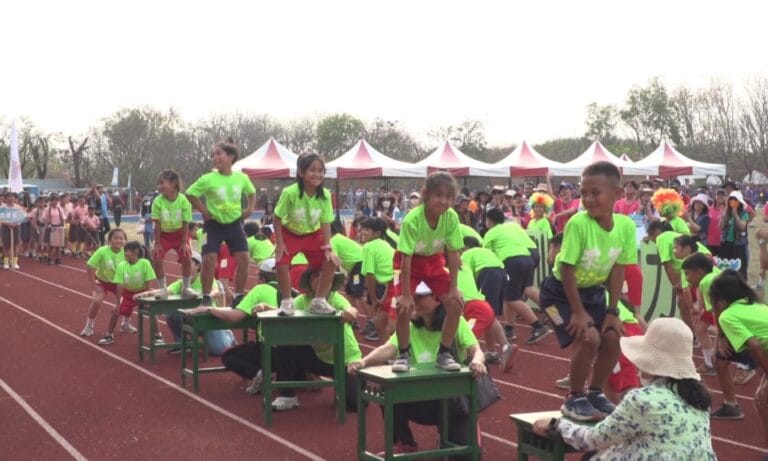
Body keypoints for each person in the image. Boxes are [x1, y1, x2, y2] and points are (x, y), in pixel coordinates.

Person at [532, 317, 716, 460]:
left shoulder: (642, 399)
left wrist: (557, 424)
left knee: (592, 456)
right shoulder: (700, 398)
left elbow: (594, 439)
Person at [539, 161, 636, 421]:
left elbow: (618, 269)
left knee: (613, 338)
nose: (588, 199)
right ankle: (574, 397)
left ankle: (595, 392)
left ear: (616, 194)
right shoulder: (578, 223)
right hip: (556, 296)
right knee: (589, 338)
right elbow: (567, 268)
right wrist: (578, 312)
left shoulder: (625, 227)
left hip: (593, 293)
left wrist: (613, 311)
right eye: (583, 193)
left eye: (595, 192)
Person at [348, 281, 487, 457]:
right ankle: (405, 443)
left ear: (437, 299)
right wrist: (363, 362)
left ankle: (448, 434)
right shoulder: (409, 326)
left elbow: (477, 350)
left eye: (420, 296)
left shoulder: (456, 322)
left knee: (468, 456)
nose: (415, 300)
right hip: (420, 398)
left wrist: (477, 361)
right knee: (387, 390)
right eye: (414, 296)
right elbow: (389, 348)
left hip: (453, 402)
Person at [392, 172, 464, 373]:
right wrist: (407, 295)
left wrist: (453, 288)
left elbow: (453, 252)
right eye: (438, 195)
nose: (444, 201)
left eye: (449, 196)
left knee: (456, 304)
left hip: (434, 261)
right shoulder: (412, 219)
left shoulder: (451, 217)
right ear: (426, 195)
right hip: (410, 263)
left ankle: (444, 353)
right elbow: (406, 258)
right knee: (403, 308)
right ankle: (403, 354)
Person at [270, 268, 361, 411]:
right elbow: (283, 312)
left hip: (345, 360)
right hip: (318, 357)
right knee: (285, 342)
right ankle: (287, 395)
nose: (320, 279)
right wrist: (265, 307)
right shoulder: (303, 300)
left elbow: (350, 309)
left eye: (324, 275)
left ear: (330, 281)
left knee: (354, 404)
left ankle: (356, 383)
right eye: (316, 276)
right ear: (309, 281)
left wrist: (350, 312)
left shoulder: (336, 298)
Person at [186, 139, 256, 308]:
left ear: (231, 156)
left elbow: (252, 192)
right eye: (212, 155)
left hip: (235, 225)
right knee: (208, 260)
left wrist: (249, 209)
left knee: (244, 259)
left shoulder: (241, 178)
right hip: (212, 226)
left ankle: (238, 296)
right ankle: (206, 296)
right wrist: (204, 211)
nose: (214, 158)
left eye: (218, 154)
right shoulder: (208, 179)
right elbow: (190, 193)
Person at [272, 153, 339, 316]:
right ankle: (287, 301)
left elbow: (325, 222)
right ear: (301, 172)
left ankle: (319, 300)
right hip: (290, 233)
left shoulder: (325, 195)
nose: (317, 174)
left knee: (331, 261)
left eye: (321, 171)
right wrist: (279, 243)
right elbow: (277, 217)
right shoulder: (290, 192)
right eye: (312, 170)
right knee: (281, 261)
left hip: (313, 235)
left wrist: (328, 247)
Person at [710, 270, 768, 446]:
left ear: (720, 301)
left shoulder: (728, 315)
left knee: (762, 402)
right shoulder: (758, 305)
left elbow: (755, 345)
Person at [484, 208, 550, 345]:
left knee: (514, 298)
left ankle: (539, 326)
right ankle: (510, 328)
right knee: (519, 293)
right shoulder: (512, 226)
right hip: (527, 255)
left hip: (512, 260)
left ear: (489, 221)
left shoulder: (490, 233)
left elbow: (488, 257)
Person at [98, 241, 157, 346]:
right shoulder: (122, 265)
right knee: (116, 311)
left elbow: (148, 284)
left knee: (152, 311)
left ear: (136, 251)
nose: (124, 253)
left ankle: (158, 335)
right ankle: (109, 335)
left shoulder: (145, 263)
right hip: (128, 293)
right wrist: (117, 303)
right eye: (124, 251)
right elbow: (119, 285)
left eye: (127, 251)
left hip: (143, 292)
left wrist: (147, 297)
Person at [151, 170, 196, 300]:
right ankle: (162, 289)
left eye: (162, 183)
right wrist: (157, 243)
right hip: (163, 235)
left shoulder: (183, 201)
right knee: (157, 258)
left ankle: (186, 288)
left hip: (180, 234)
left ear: (174, 183)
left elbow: (186, 223)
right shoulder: (157, 202)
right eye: (158, 183)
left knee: (187, 256)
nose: (159, 186)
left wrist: (184, 242)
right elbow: (157, 224)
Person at [80, 229, 127, 337]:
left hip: (118, 283)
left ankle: (125, 323)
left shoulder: (126, 252)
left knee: (126, 300)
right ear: (109, 240)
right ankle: (89, 326)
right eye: (116, 238)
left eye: (121, 238)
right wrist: (93, 285)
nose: (118, 240)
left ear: (125, 241)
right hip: (102, 281)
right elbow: (90, 266)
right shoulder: (102, 251)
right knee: (97, 300)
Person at [359, 217, 398, 342]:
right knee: (379, 323)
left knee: (393, 328)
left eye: (367, 229)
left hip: (399, 285)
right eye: (363, 229)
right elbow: (390, 278)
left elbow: (370, 275)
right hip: (393, 285)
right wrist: (382, 299)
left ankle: (403, 351)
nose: (363, 232)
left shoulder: (369, 247)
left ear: (377, 233)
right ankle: (388, 352)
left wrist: (374, 299)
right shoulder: (384, 244)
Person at [720, 190, 749, 279]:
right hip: (726, 243)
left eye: (735, 200)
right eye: (731, 199)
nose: (733, 201)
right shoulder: (726, 213)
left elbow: (742, 227)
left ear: (740, 202)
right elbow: (721, 226)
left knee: (739, 268)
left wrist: (735, 215)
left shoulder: (744, 213)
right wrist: (724, 215)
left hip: (738, 245)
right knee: (725, 267)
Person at [1, 192, 24, 270]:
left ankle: (14, 262)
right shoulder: (2, 208)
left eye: (11, 197)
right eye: (8, 197)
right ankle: (6, 263)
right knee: (6, 245)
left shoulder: (18, 207)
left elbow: (21, 217)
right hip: (5, 228)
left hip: (16, 227)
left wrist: (15, 223)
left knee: (15, 245)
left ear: (14, 198)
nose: (10, 198)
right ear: (5, 199)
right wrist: (8, 224)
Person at [42, 193, 66, 265]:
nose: (55, 202)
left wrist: (62, 227)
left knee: (58, 245)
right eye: (53, 200)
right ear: (51, 201)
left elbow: (62, 218)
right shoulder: (47, 209)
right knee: (50, 245)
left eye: (56, 200)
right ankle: (49, 258)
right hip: (51, 227)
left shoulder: (59, 209)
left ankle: (57, 259)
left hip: (58, 227)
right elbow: (44, 219)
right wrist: (47, 225)